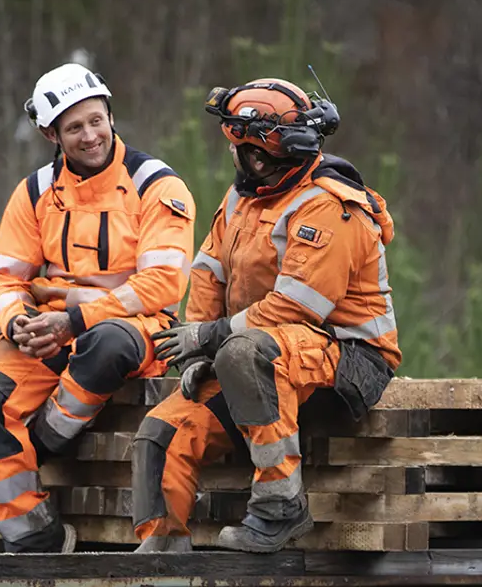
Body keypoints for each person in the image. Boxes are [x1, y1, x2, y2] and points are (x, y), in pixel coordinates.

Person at [131, 77, 401, 553]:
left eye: (236, 145)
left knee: (243, 351)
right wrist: (197, 355)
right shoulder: (242, 198)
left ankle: (281, 506)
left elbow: (297, 307)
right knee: (160, 435)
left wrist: (209, 337)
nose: (231, 153)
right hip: (259, 357)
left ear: (256, 154)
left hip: (348, 361)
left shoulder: (329, 206)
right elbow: (209, 273)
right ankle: (160, 555)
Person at [0, 62, 195, 553]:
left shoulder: (157, 185)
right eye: (74, 128)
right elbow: (6, 279)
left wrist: (76, 320)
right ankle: (33, 538)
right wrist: (18, 323)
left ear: (110, 116)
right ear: (51, 135)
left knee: (105, 344)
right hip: (50, 328)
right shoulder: (34, 192)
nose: (90, 136)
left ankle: (45, 442)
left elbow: (163, 283)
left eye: (96, 121)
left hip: (135, 326)